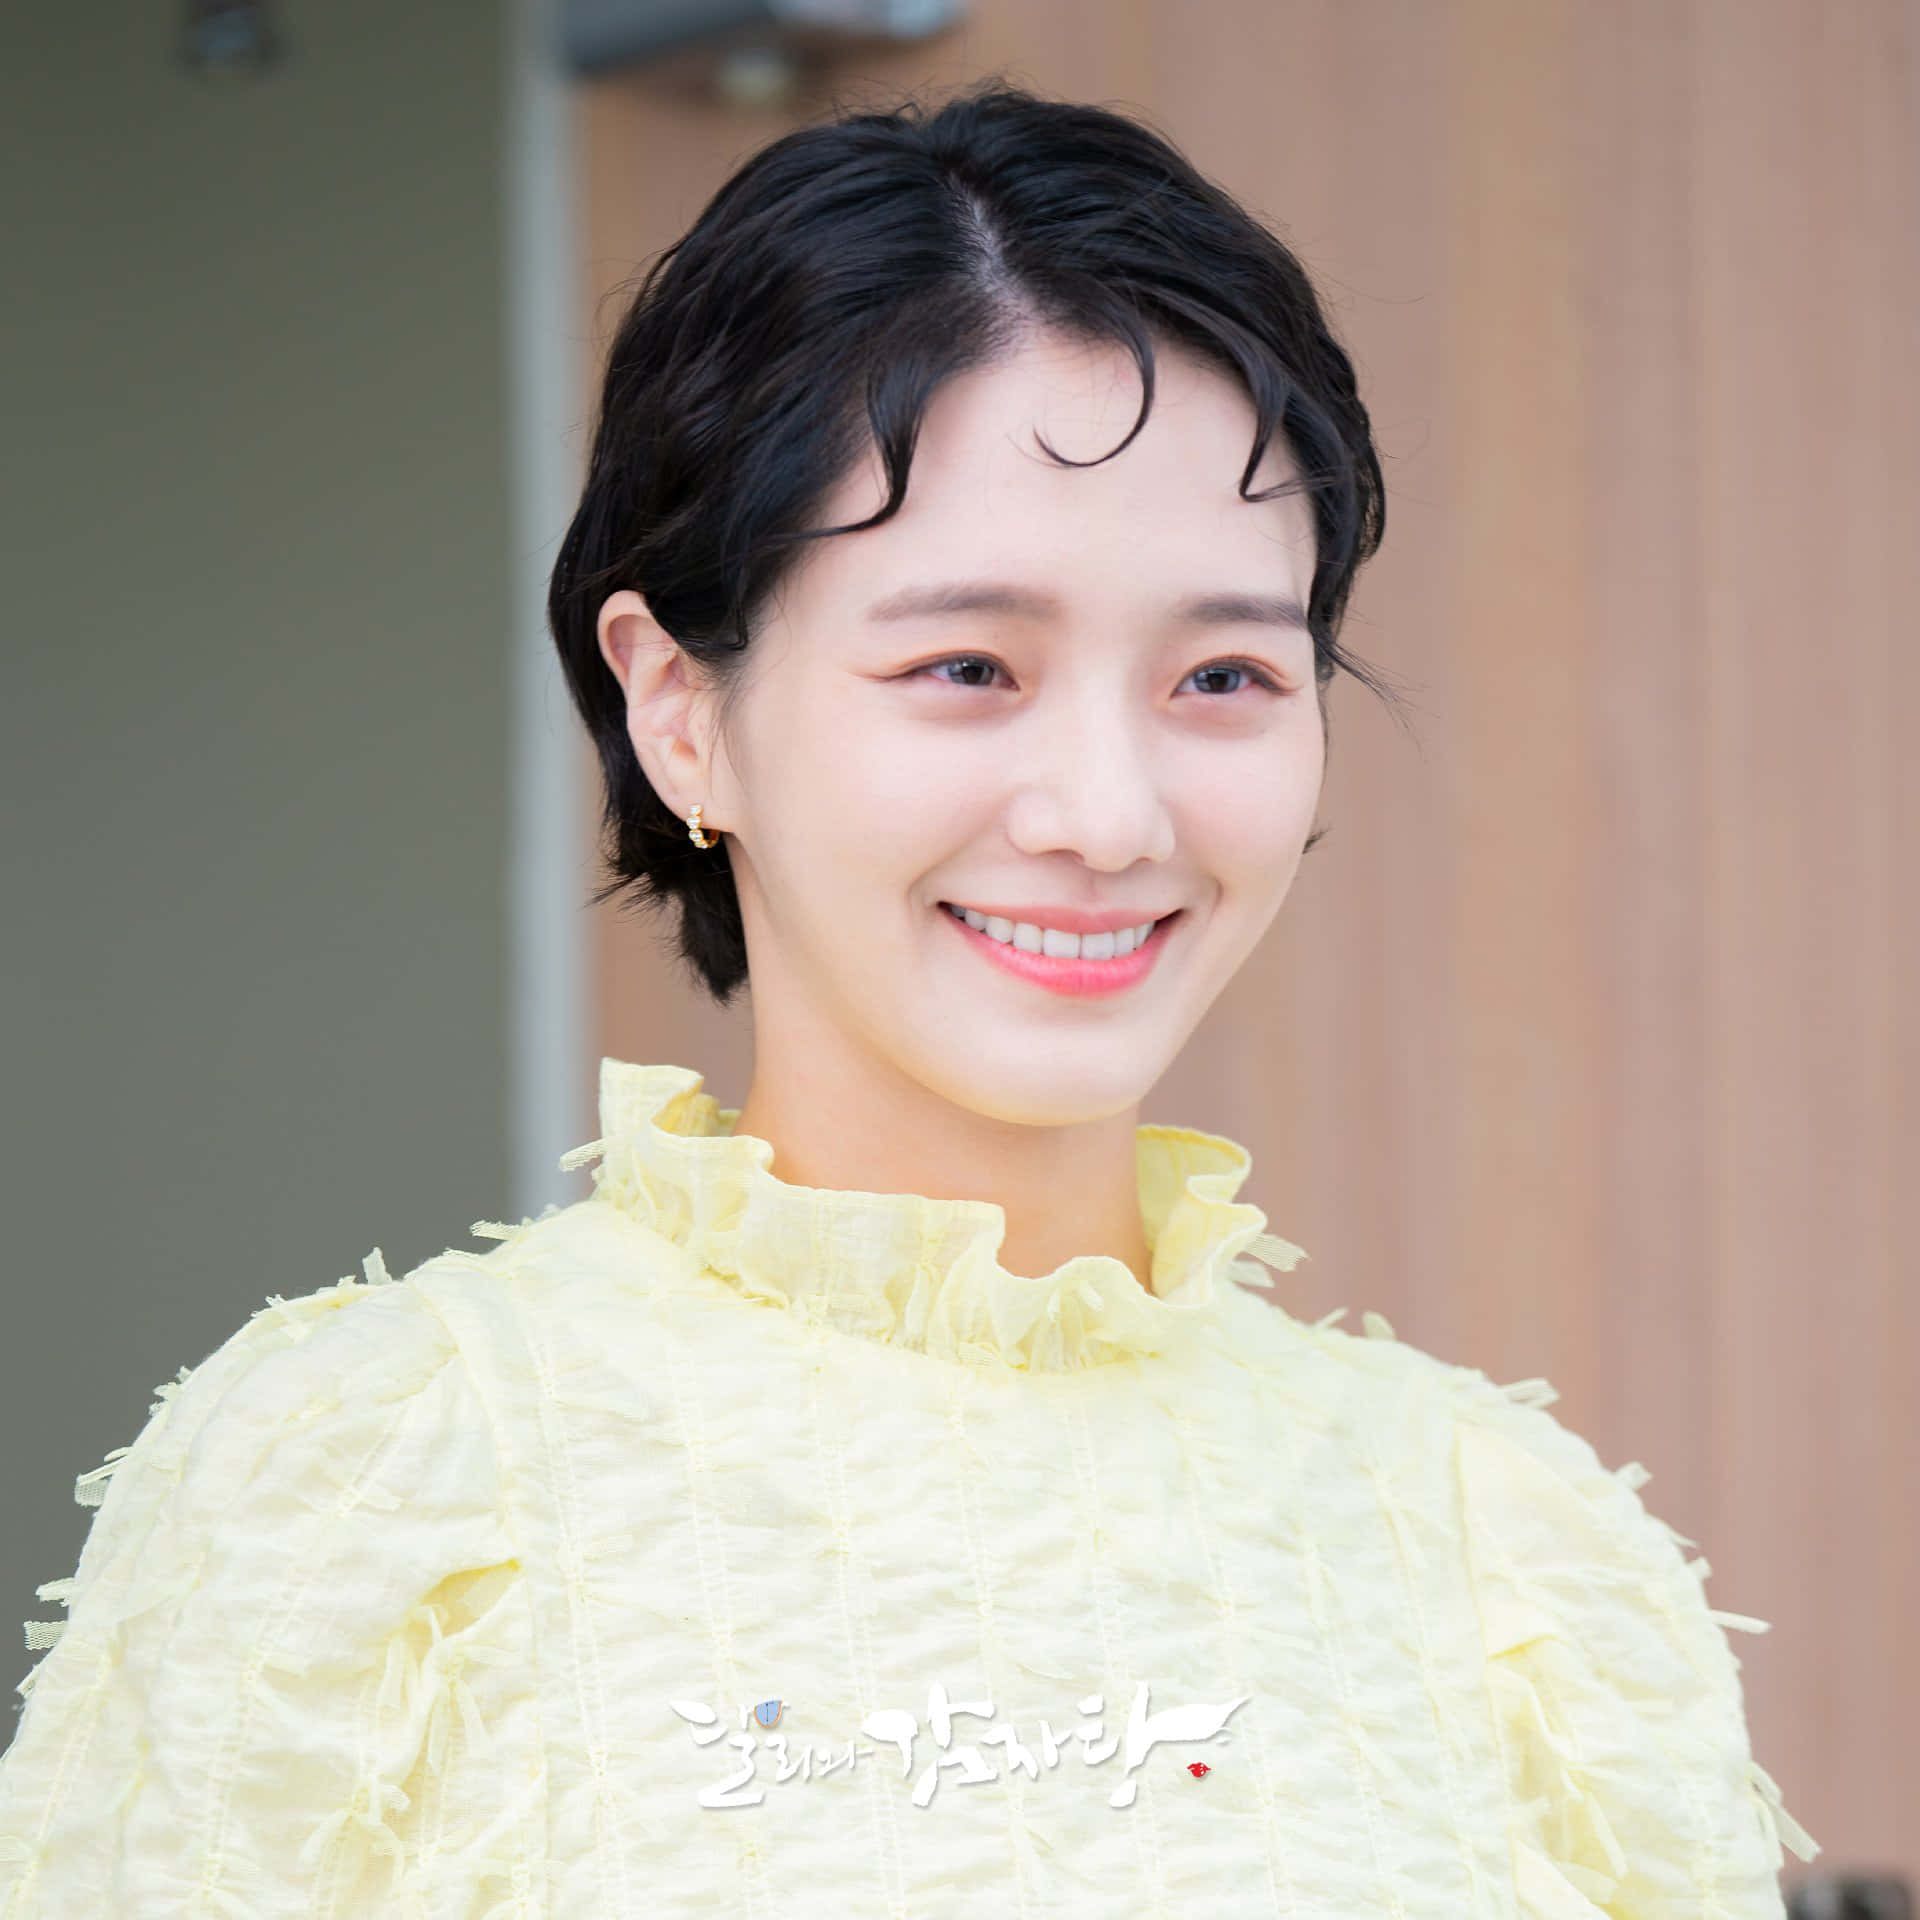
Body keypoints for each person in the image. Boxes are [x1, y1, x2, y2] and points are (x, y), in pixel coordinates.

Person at [0, 81, 1818, 1917]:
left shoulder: (1512, 1547)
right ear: (680, 707)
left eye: (1225, 678)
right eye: (967, 665)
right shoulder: (365, 1486)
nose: (1107, 818)